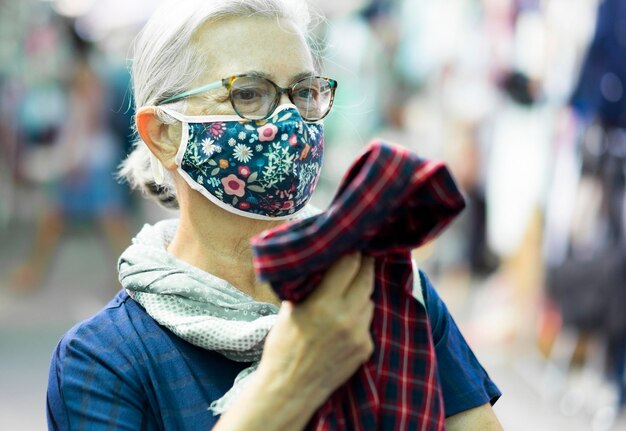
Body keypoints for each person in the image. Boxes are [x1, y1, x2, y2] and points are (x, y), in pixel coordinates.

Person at [46, 0, 502, 429]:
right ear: (164, 134)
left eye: (303, 92)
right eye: (248, 94)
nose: (290, 122)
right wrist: (290, 383)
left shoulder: (385, 284)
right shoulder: (104, 359)